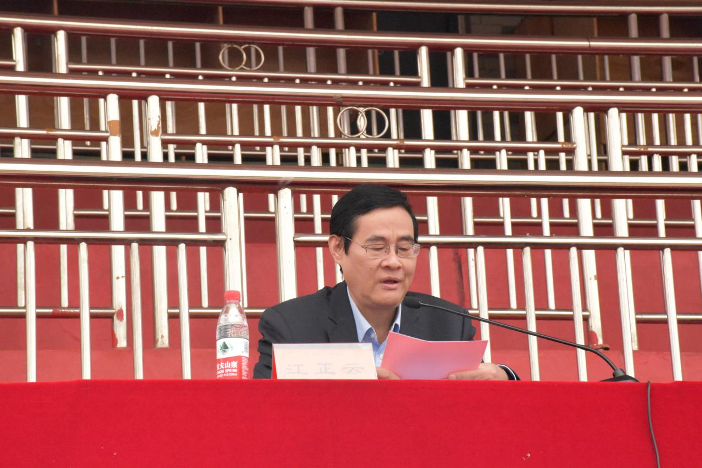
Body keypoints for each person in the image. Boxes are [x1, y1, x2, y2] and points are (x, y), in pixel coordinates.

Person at [253, 184, 518, 380]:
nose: (393, 262)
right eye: (377, 248)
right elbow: (263, 411)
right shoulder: (292, 327)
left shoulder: (447, 323)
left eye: (404, 248)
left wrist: (505, 377)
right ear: (338, 248)